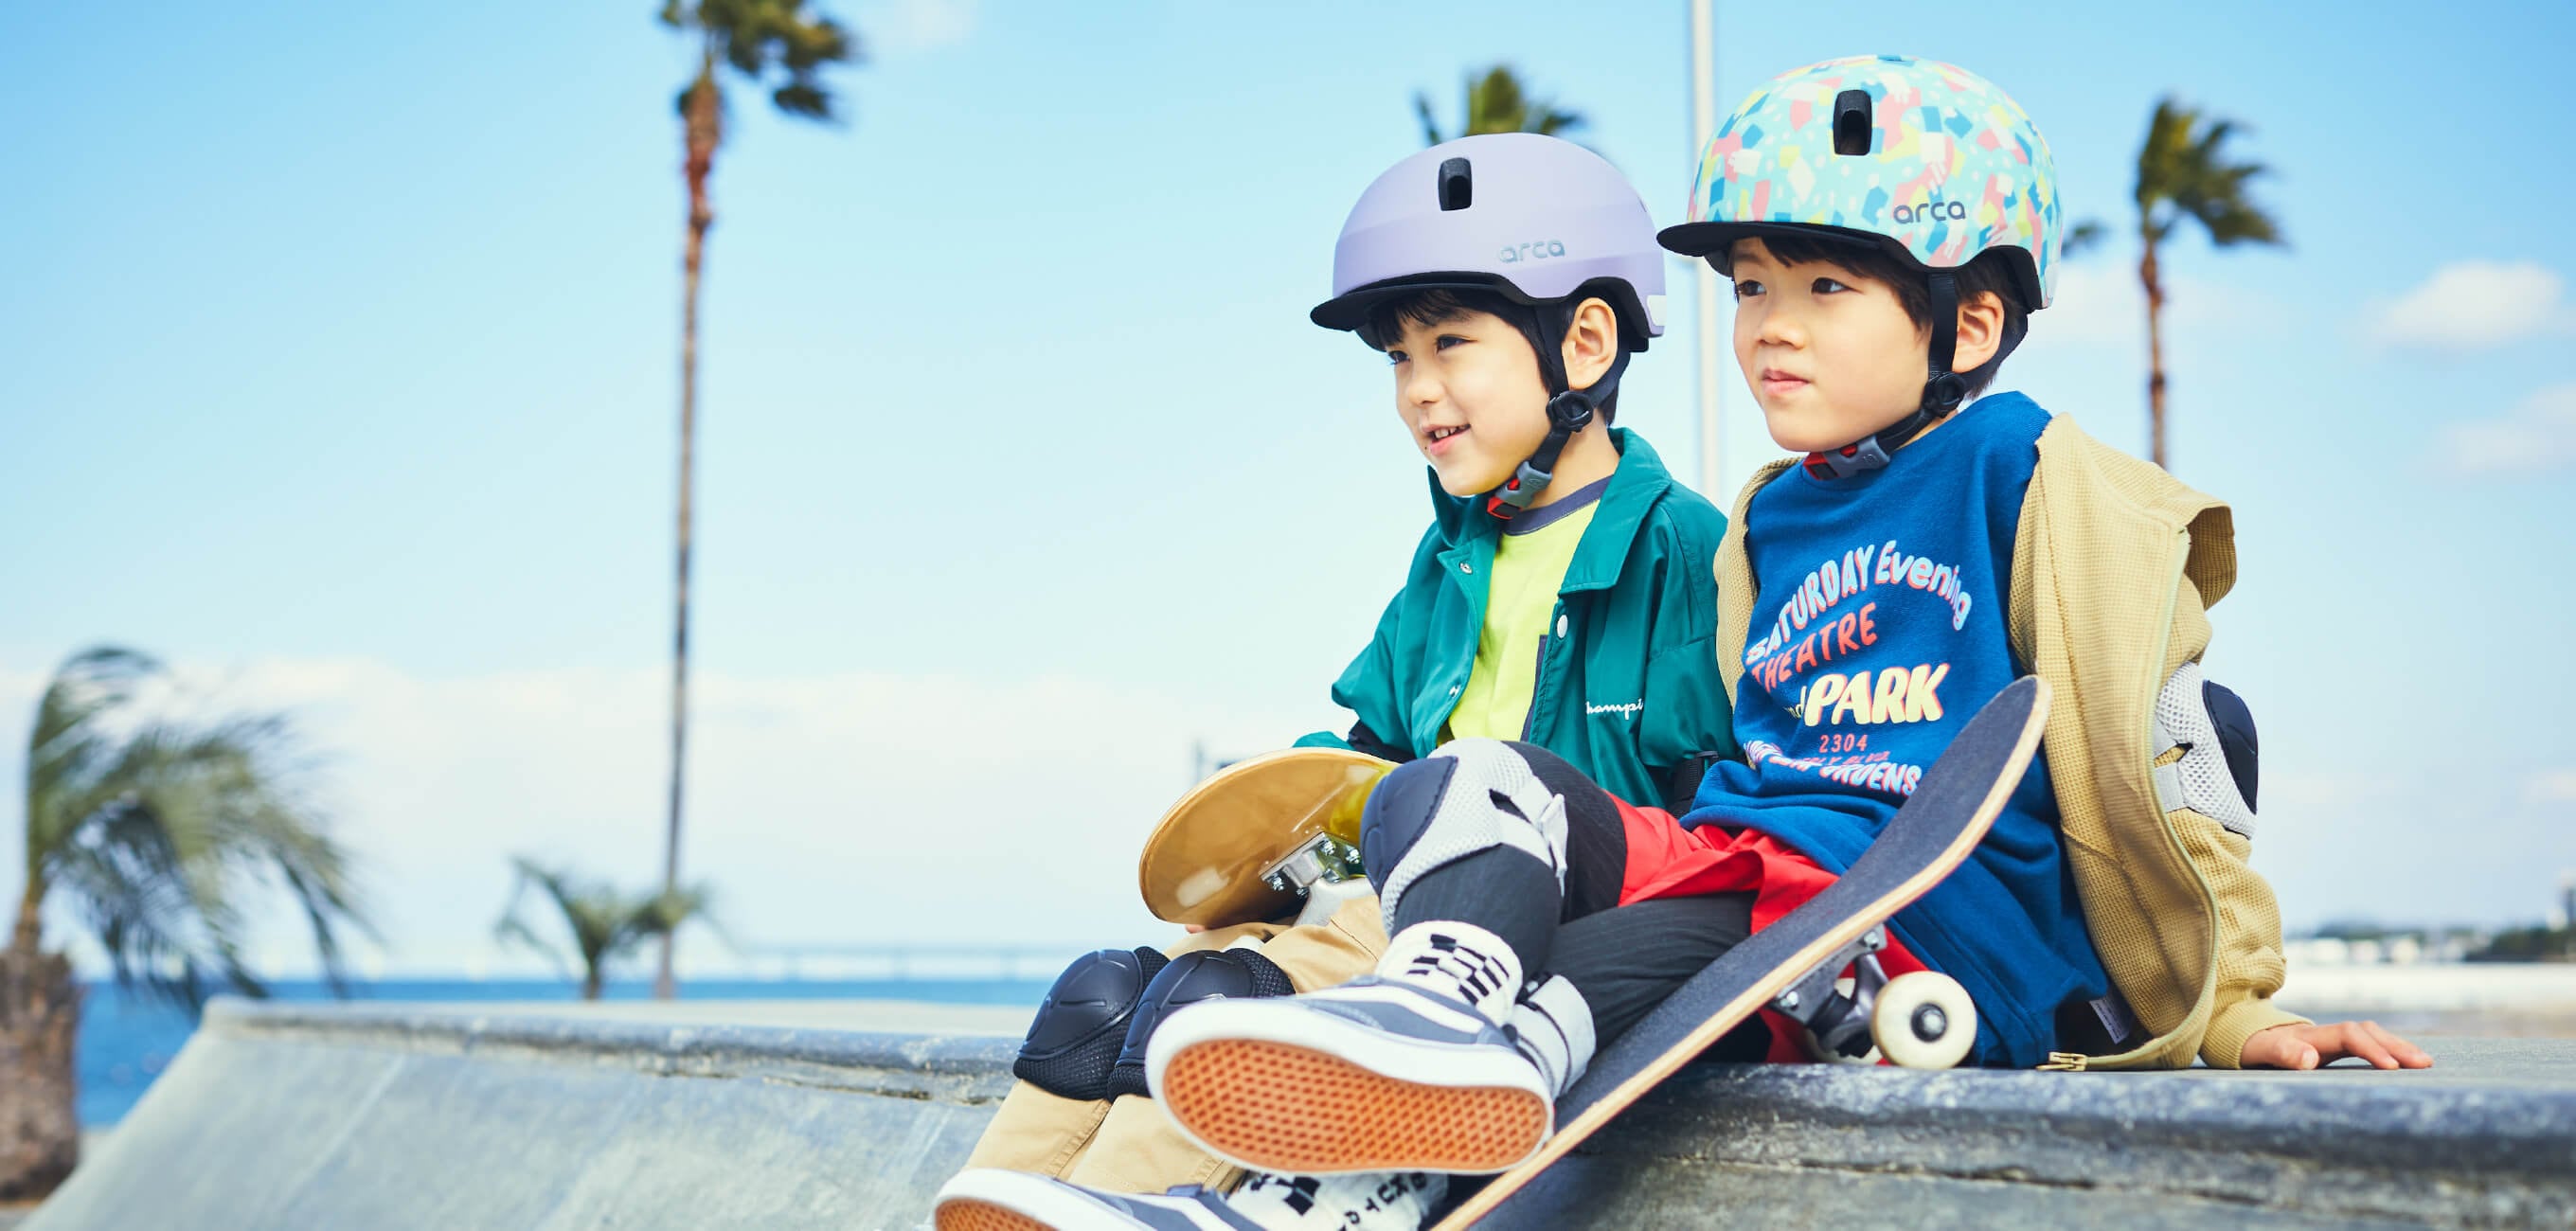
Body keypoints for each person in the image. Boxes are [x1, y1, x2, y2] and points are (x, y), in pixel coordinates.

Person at [1001, 54, 2427, 1231]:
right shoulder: (1769, 516)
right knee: (1471, 784)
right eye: (1750, 289)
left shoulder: (2034, 474)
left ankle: (1359, 1148)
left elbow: (2177, 749)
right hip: (1751, 877)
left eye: (1824, 289)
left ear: (1971, 318)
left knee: (1579, 994)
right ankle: (1390, 1075)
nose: (1767, 331)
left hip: (1912, 910)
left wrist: (2234, 1009)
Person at [932, 132, 1738, 1231]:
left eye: (1449, 344)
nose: (1417, 389)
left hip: (1524, 929)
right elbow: (1368, 756)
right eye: (1398, 358)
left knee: (1225, 1002)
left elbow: (1707, 824)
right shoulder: (1446, 563)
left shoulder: (1682, 548)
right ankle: (992, 1207)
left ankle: (1131, 1207)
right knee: (1108, 997)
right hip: (1389, 898)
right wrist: (1281, 824)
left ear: (1585, 342)